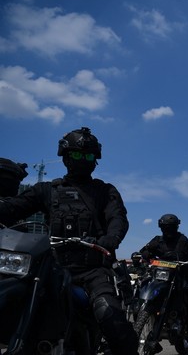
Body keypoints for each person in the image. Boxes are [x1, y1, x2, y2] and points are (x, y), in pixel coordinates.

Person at [0, 127, 138, 354]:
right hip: (50, 268)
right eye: (76, 155)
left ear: (96, 160)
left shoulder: (105, 190)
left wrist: (109, 239)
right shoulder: (47, 190)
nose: (82, 160)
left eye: (88, 156)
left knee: (111, 319)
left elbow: (118, 219)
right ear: (65, 157)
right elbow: (14, 208)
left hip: (93, 271)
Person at [140, 213, 188, 337]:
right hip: (161, 275)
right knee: (143, 283)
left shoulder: (182, 239)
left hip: (180, 274)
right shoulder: (157, 240)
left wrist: (182, 259)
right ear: (161, 227)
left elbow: (187, 256)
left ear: (176, 227)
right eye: (165, 227)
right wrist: (145, 253)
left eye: (171, 227)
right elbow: (144, 249)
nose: (168, 230)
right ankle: (142, 314)